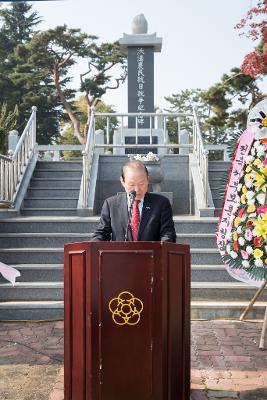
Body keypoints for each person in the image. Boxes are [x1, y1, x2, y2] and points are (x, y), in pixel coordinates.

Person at [91, 160, 176, 242]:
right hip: (121, 255)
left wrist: (163, 247)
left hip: (152, 255)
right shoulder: (111, 205)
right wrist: (94, 244)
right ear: (123, 181)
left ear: (147, 179)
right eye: (131, 184)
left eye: (141, 184)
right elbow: (102, 233)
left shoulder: (161, 203)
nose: (137, 189)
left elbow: (168, 233)